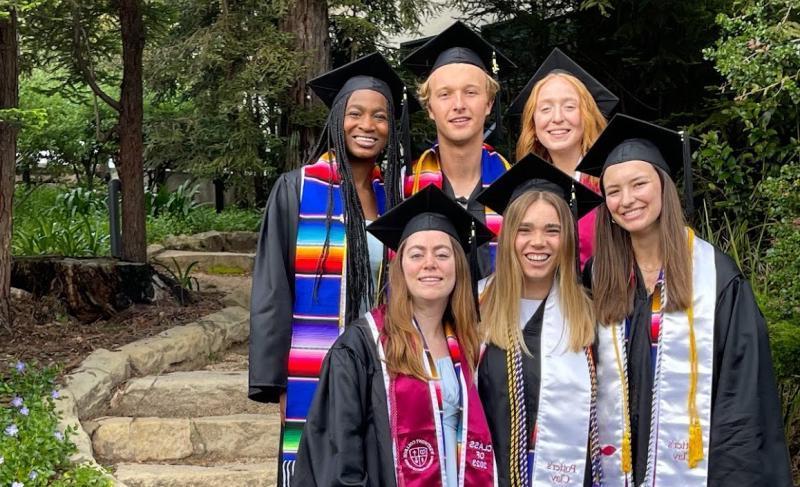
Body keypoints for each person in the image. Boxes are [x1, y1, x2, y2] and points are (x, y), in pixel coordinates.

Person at [577, 114, 792, 486]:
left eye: (639, 184)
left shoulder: (716, 277)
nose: (627, 200)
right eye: (614, 190)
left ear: (663, 187)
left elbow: (742, 400)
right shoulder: (598, 277)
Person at [248, 52, 419, 486]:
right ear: (337, 118)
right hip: (315, 364)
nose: (368, 125)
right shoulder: (297, 188)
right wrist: (279, 383)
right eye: (356, 113)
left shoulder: (394, 199)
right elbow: (273, 289)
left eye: (381, 116)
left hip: (380, 360)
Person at [292, 185, 497, 486]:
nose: (430, 264)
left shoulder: (470, 344)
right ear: (400, 267)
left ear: (459, 267)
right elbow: (338, 458)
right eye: (416, 254)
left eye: (443, 254)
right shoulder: (362, 347)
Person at [476, 154, 604, 486]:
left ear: (568, 240)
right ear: (508, 239)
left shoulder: (592, 316)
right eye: (525, 230)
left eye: (552, 230)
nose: (538, 242)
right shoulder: (474, 307)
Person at [401, 21, 515, 278]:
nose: (459, 105)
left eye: (471, 92)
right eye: (445, 94)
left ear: (488, 103)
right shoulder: (403, 188)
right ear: (430, 109)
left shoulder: (515, 189)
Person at [507, 48, 619, 269]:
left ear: (586, 115)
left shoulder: (610, 183)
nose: (557, 118)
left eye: (569, 107)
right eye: (546, 109)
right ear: (533, 122)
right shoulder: (525, 190)